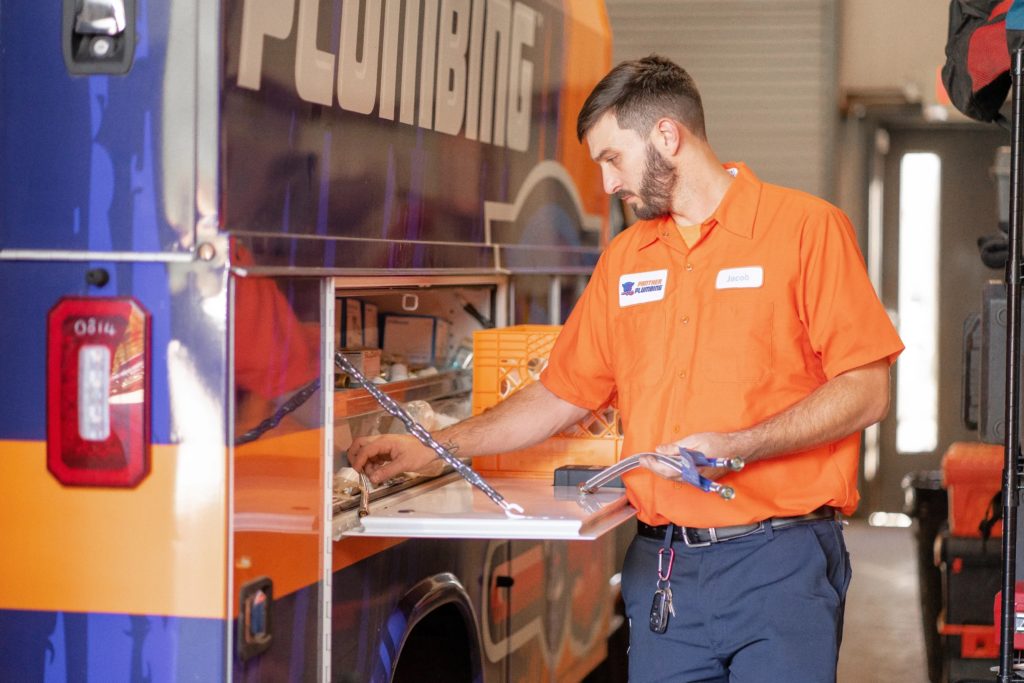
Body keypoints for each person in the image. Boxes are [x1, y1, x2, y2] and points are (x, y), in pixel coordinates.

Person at [349, 55, 904, 682]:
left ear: (667, 136)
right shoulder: (627, 258)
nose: (608, 184)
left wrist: (741, 446)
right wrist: (433, 449)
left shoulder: (806, 230)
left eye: (613, 158)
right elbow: (558, 394)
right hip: (664, 573)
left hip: (779, 566)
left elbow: (866, 390)